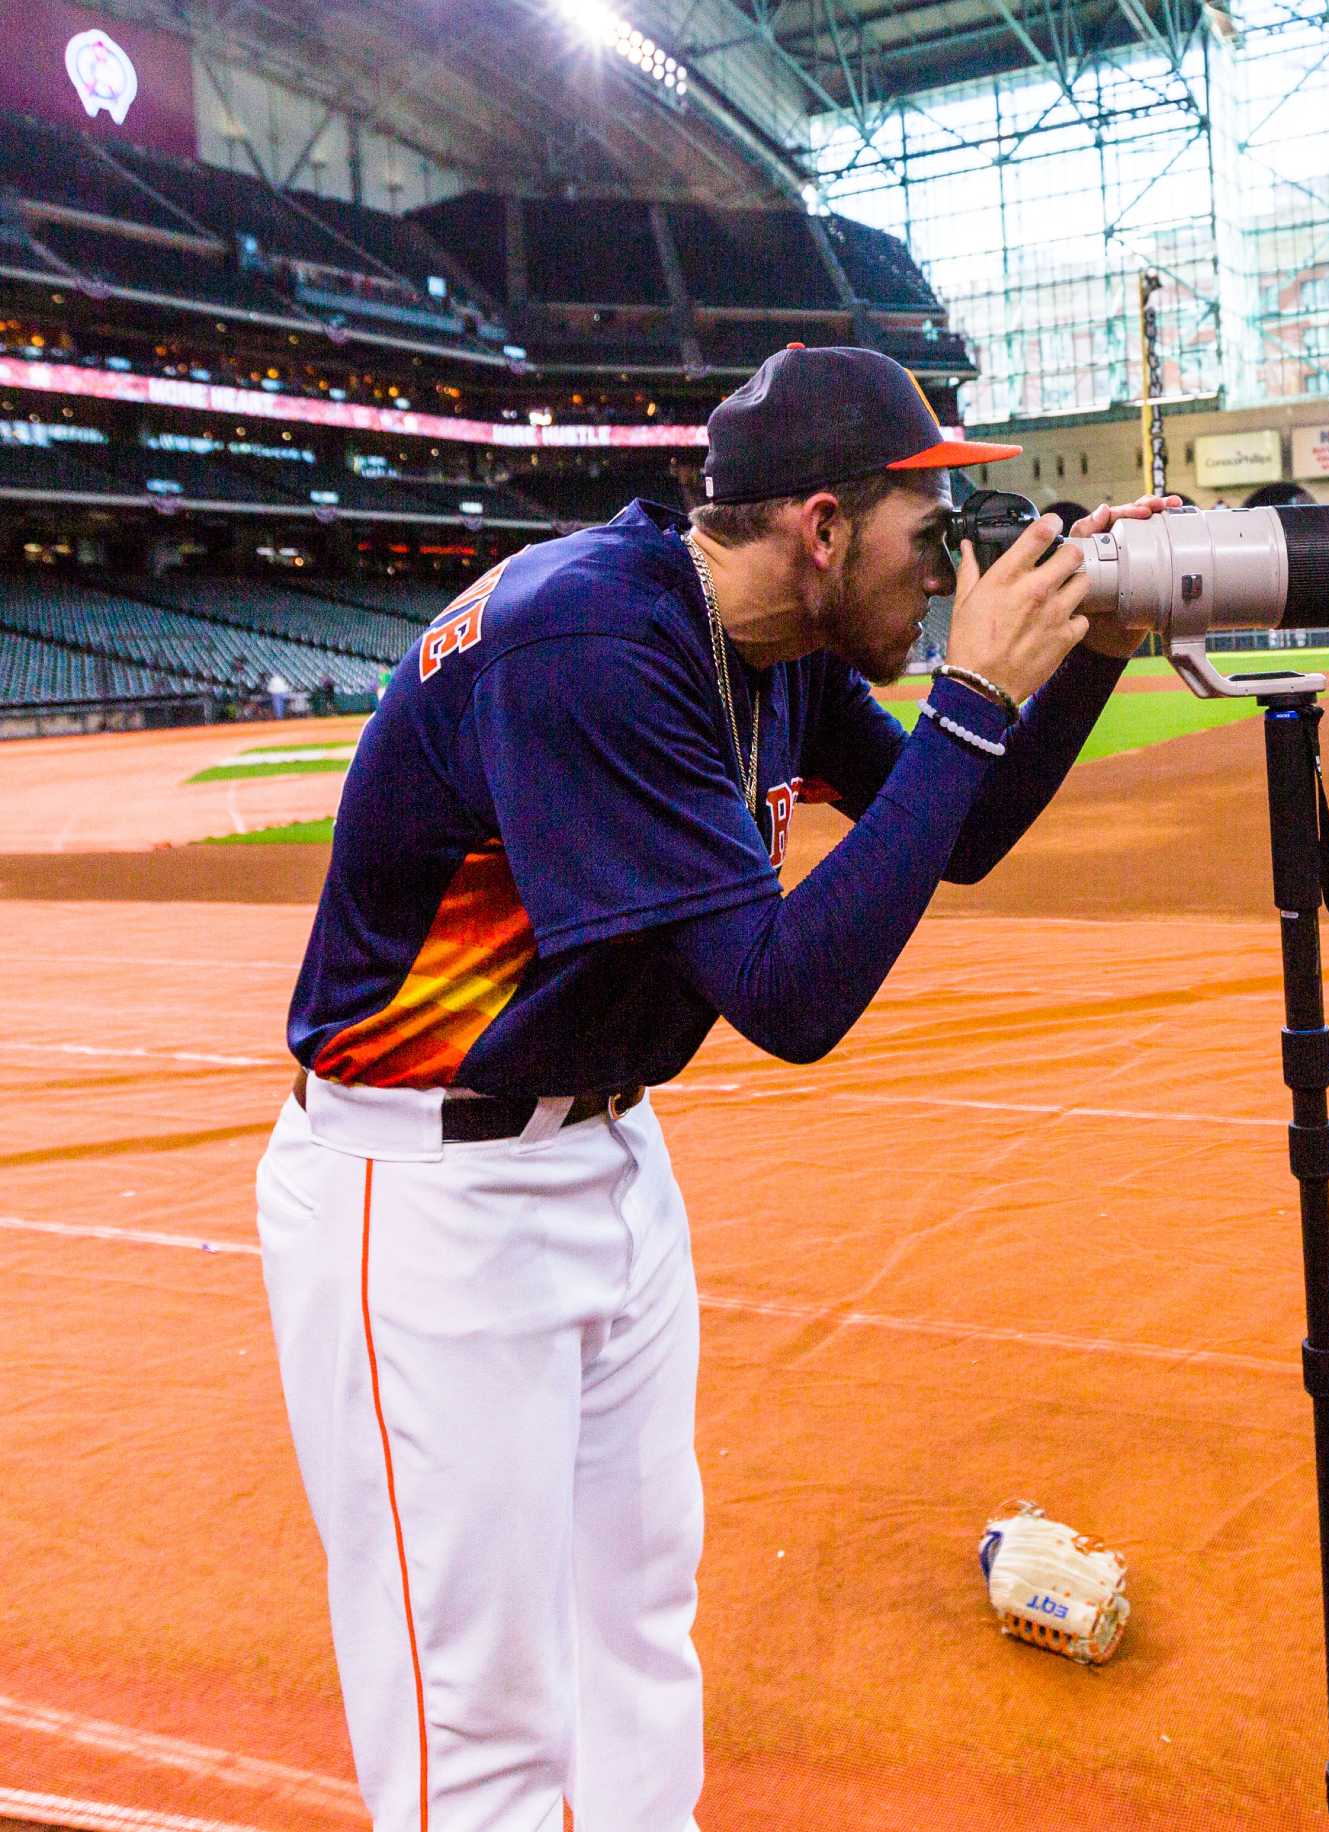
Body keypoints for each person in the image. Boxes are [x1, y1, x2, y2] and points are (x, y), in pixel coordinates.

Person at [255, 342, 1177, 1831]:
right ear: (820, 527)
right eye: (924, 534)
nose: (943, 571)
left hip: (608, 1154)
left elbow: (969, 824)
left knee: (637, 1623)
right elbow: (789, 996)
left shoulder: (775, 652)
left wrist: (1084, 662)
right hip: (427, 1191)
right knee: (476, 1709)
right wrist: (966, 699)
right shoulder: (593, 648)